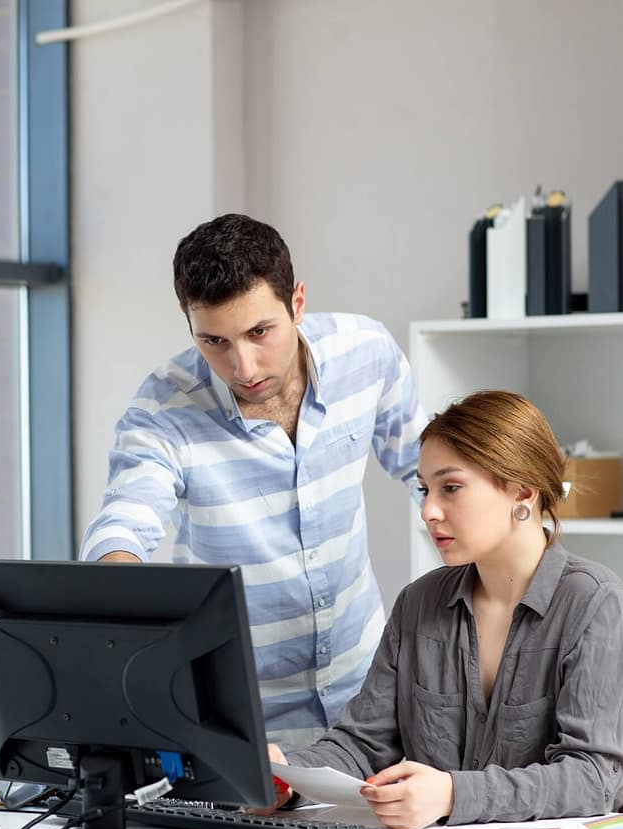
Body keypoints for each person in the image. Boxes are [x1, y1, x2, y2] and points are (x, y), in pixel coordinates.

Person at [80, 213, 426, 751]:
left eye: (259, 332)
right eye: (213, 340)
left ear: (298, 303)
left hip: (369, 703)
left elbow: (424, 469)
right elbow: (124, 523)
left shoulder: (367, 352)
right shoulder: (163, 410)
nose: (242, 366)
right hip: (240, 719)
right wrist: (119, 599)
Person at [269, 390, 623, 828]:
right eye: (425, 489)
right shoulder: (418, 604)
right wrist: (286, 774)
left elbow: (593, 777)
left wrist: (454, 795)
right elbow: (363, 745)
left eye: (450, 488)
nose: (428, 511)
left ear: (524, 493)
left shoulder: (595, 602)